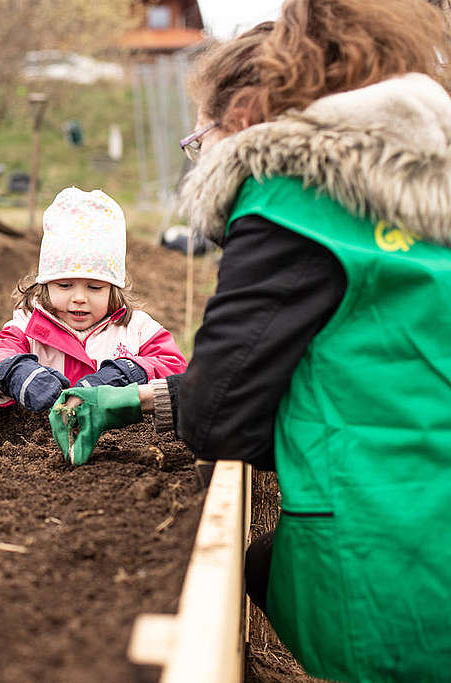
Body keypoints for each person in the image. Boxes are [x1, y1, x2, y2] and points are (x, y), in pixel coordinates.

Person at [50, 1, 451, 680]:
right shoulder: (419, 192)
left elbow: (224, 418)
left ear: (243, 121)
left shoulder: (286, 194)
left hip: (390, 551)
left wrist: (181, 403)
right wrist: (146, 399)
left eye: (199, 134)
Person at [0, 188, 186, 414]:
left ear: (113, 289)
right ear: (45, 285)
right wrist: (17, 373)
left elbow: (174, 367)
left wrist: (127, 373)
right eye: (64, 285)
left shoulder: (136, 329)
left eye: (95, 287)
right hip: (40, 438)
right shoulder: (28, 325)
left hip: (116, 440)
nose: (78, 298)